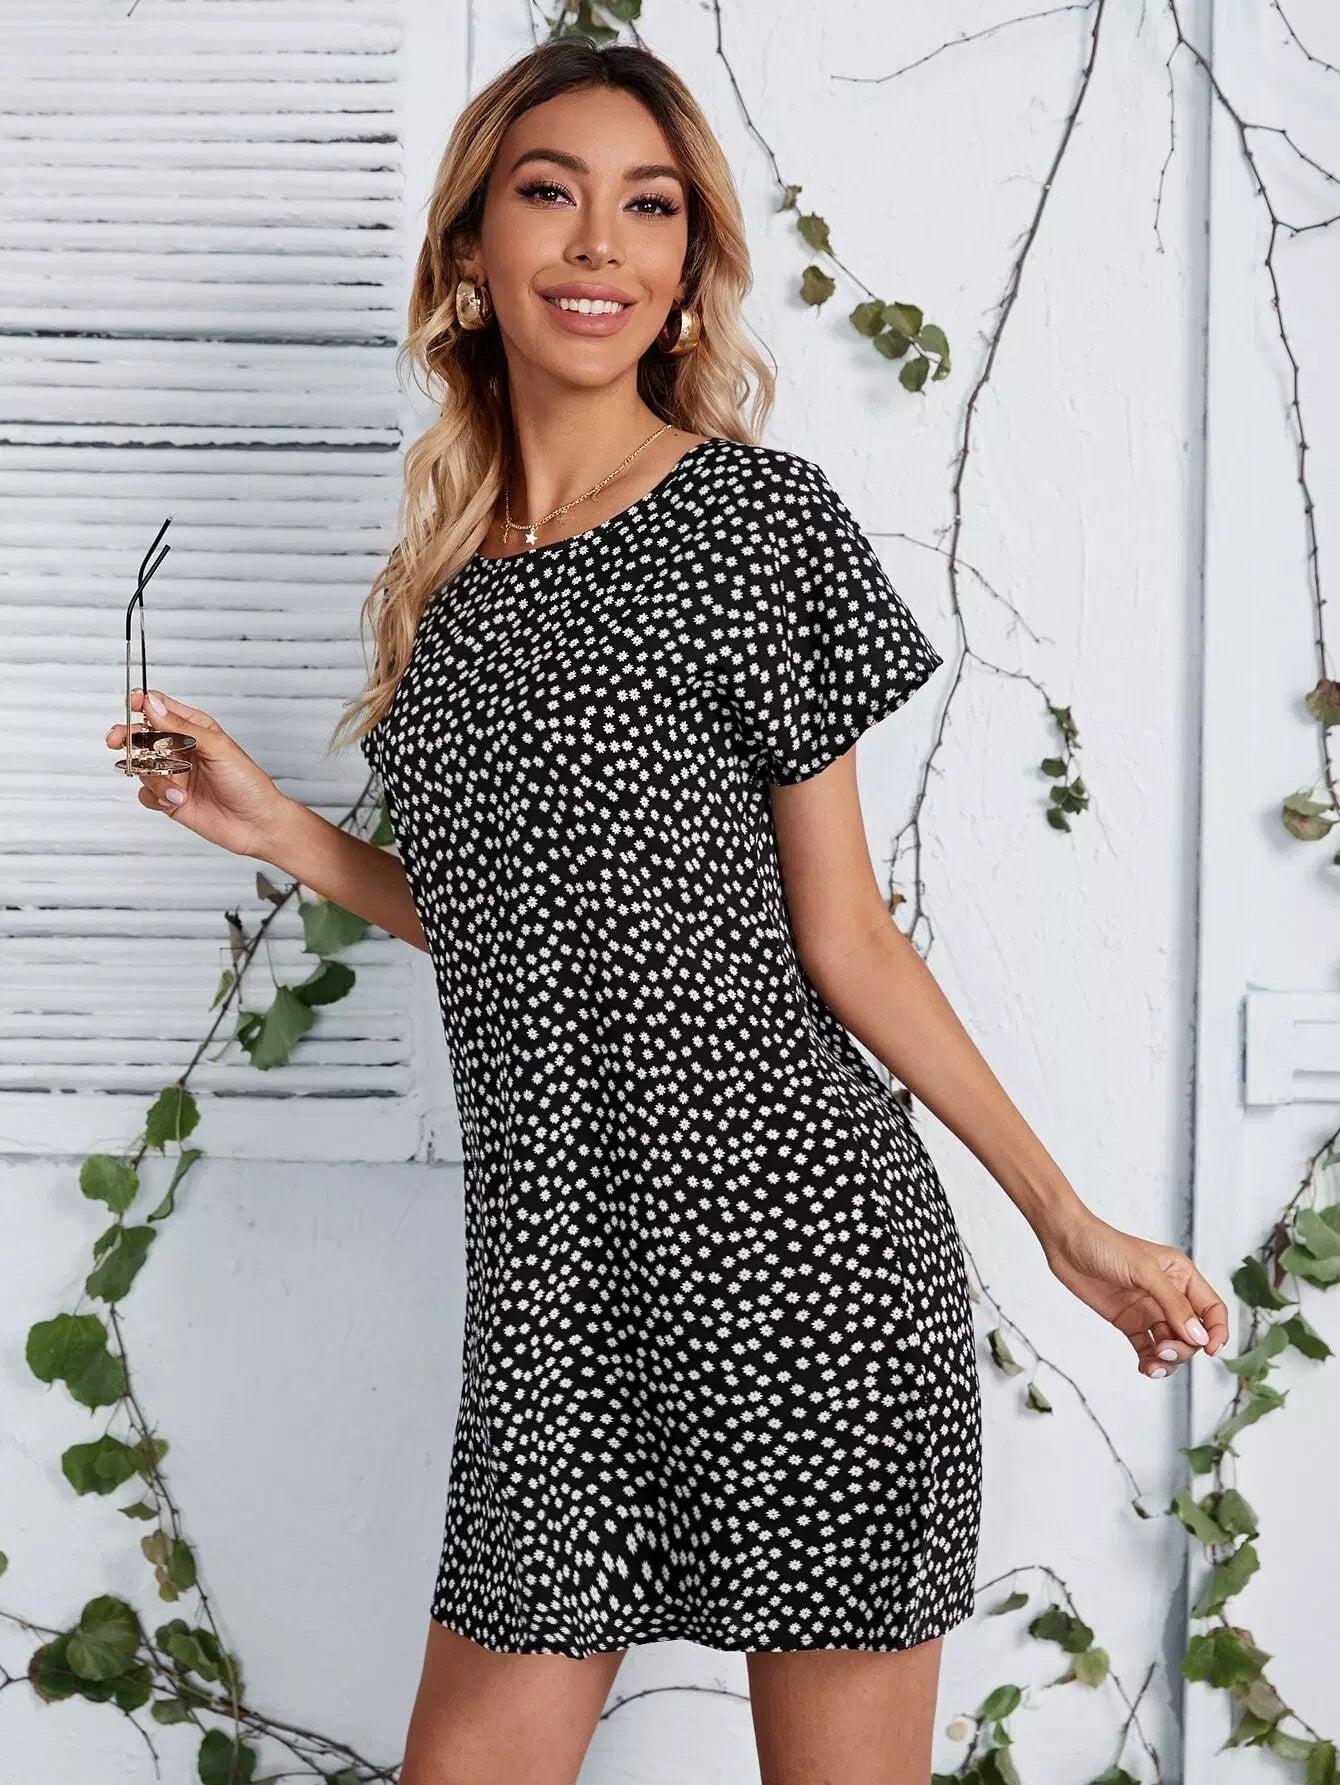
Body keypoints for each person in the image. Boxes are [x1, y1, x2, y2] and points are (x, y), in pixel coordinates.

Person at [106, 38, 1229, 1785]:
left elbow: (843, 936)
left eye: (649, 208)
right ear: (471, 251)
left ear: (689, 266)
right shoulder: (446, 591)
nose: (598, 245)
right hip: (559, 1295)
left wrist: (1067, 1224)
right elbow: (532, 926)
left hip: (801, 1259)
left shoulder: (753, 521)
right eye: (549, 193)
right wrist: (280, 832)